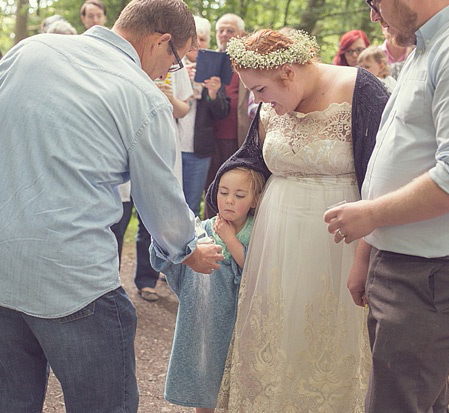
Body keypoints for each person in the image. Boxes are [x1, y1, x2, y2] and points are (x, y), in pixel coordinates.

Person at [0, 0, 223, 410]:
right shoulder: (143, 98)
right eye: (173, 64)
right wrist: (188, 251)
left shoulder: (28, 49)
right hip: (69, 279)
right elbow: (161, 201)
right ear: (160, 41)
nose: (167, 75)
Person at [325, 1, 449, 412]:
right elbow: (396, 159)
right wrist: (368, 250)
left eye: (374, 3)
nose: (373, 16)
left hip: (436, 274)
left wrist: (368, 217)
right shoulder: (429, 47)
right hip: (405, 263)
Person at [209, 28, 388, 410]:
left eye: (260, 90)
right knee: (275, 333)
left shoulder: (361, 89)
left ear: (288, 73)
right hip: (276, 241)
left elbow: (385, 173)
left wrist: (368, 255)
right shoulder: (270, 109)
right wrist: (220, 201)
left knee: (328, 336)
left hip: (336, 243)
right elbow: (251, 159)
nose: (256, 101)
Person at [151, 167, 263, 412]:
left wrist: (231, 239)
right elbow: (174, 259)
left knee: (236, 383)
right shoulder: (203, 229)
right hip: (205, 322)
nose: (229, 200)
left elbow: (257, 270)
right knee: (204, 379)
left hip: (239, 323)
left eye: (240, 195)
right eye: (223, 193)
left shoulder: (258, 231)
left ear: (255, 199)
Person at [133, 53, 194, 300]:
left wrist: (169, 99)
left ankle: (164, 274)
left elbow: (184, 110)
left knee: (163, 211)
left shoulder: (176, 70)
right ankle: (141, 278)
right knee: (138, 217)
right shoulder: (137, 63)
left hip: (167, 146)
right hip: (138, 142)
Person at [180, 15, 230, 216]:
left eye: (202, 40)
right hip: (171, 147)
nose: (197, 45)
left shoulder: (214, 71)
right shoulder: (171, 66)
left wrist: (213, 93)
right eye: (193, 39)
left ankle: (189, 248)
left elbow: (222, 112)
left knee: (191, 206)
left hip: (199, 150)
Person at [203, 13, 249, 219]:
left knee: (237, 192)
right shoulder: (209, 61)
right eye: (220, 30)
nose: (224, 34)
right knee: (211, 192)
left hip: (239, 138)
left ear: (241, 34)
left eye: (230, 30)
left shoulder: (249, 63)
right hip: (210, 139)